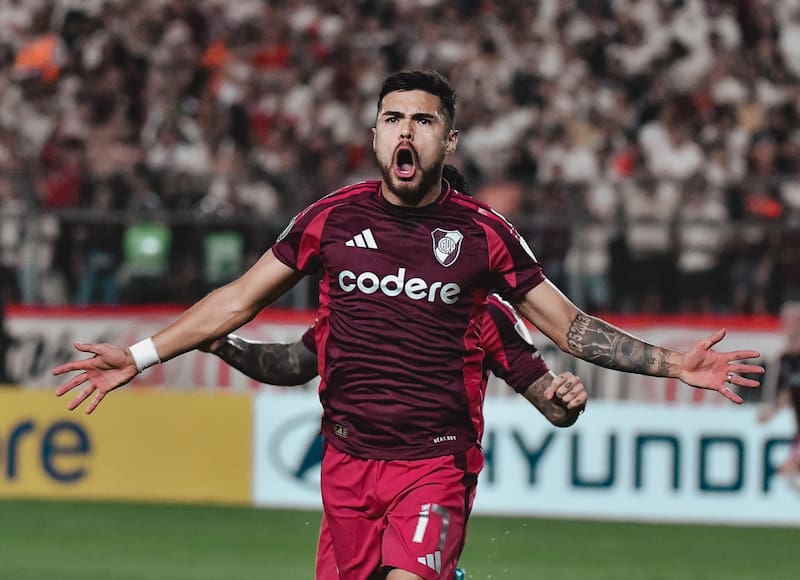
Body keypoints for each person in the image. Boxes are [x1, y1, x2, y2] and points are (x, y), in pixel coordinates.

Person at [53, 70, 764, 580]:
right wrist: (141, 356)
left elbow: (568, 327)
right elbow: (246, 308)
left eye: (423, 121)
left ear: (448, 141)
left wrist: (672, 364)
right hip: (345, 464)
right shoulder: (332, 219)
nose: (406, 131)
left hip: (434, 464)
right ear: (374, 135)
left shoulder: (483, 234)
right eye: (393, 118)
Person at [204, 292, 588, 580]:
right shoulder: (358, 295)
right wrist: (225, 344)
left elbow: (551, 403)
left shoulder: (485, 309)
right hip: (351, 471)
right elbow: (292, 364)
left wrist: (565, 401)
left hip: (436, 466)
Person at [758, 301, 800, 490]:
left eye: (791, 321)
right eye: (785, 321)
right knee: (788, 473)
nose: (786, 326)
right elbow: (790, 390)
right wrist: (773, 411)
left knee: (789, 470)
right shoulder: (785, 358)